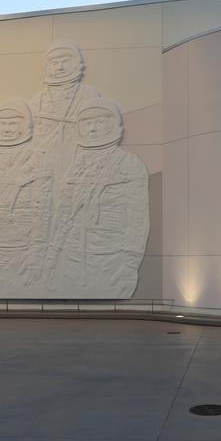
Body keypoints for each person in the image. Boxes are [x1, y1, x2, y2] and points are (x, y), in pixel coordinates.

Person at [45, 97, 149, 296]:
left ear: (113, 125)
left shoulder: (128, 164)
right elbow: (63, 213)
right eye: (87, 123)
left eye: (99, 122)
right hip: (73, 257)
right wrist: (52, 256)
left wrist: (130, 264)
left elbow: (137, 219)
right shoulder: (76, 166)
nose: (92, 129)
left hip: (110, 258)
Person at [0, 100, 53, 289]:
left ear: (25, 126)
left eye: (13, 123)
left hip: (20, 246)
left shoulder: (37, 158)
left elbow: (41, 211)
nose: (7, 129)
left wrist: (36, 254)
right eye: (3, 123)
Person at [29, 41, 98, 173]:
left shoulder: (87, 93)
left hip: (77, 153)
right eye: (55, 63)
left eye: (65, 62)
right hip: (46, 155)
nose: (60, 67)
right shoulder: (38, 99)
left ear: (76, 63)